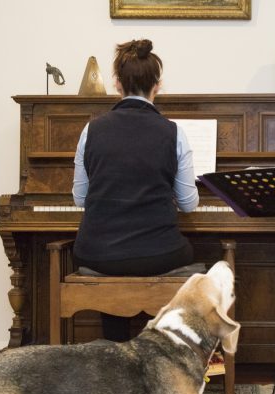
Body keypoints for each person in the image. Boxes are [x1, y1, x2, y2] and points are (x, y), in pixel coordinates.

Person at [72, 38, 199, 342]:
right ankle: (159, 351)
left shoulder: (91, 130)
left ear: (117, 84)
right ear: (157, 85)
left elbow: (80, 197)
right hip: (159, 253)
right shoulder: (173, 133)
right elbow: (189, 203)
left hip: (97, 253)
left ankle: (116, 356)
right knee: (188, 251)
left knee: (114, 261)